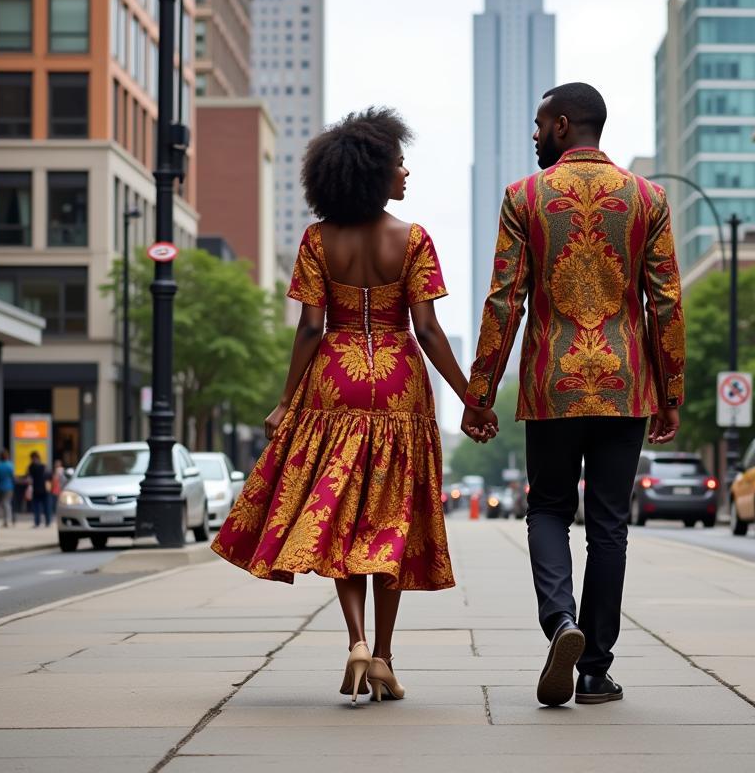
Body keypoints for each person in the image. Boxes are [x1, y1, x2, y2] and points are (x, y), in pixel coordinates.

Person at [213, 107, 496, 706]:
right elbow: (428, 329)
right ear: (374, 173)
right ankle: (388, 657)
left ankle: (358, 641)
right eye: (397, 162)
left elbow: (311, 327)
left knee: (341, 518)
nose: (405, 171)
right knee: (390, 522)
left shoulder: (318, 240)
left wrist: (287, 402)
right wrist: (472, 395)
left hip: (332, 386)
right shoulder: (413, 238)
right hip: (398, 386)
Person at [462, 82, 685, 708]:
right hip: (626, 381)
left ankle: (561, 622)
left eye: (539, 125)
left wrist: (480, 394)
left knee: (549, 508)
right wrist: (672, 390)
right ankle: (593, 670)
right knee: (609, 526)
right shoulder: (649, 198)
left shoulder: (523, 197)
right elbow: (664, 299)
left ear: (563, 125)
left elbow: (505, 299)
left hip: (553, 381)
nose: (534, 135)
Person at [27, 451, 52, 528]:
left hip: (38, 489)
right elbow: (49, 476)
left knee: (38, 507)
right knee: (45, 507)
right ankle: (47, 522)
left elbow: (29, 477)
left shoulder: (31, 467)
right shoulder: (43, 466)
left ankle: (38, 522)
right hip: (43, 489)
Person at [0, 450, 15, 528]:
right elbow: (12, 476)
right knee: (7, 504)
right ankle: (6, 521)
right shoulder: (10, 465)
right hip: (8, 487)